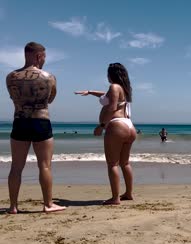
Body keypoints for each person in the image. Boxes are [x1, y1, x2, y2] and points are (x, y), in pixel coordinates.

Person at [6, 42, 66, 214]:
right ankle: (48, 204)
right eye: (44, 57)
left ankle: (13, 206)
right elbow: (50, 100)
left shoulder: (11, 77)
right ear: (39, 56)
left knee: (16, 167)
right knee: (45, 166)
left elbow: (13, 97)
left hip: (20, 120)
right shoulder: (49, 77)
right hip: (41, 121)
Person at [74, 63, 136, 205]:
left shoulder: (114, 87)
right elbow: (105, 95)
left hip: (117, 126)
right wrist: (90, 92)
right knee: (125, 163)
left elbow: (112, 107)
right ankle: (128, 193)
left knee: (112, 164)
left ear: (111, 74)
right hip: (129, 126)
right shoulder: (124, 89)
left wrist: (101, 126)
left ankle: (115, 198)